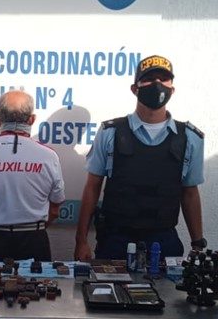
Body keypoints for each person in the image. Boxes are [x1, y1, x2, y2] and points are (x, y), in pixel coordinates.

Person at [74, 55, 208, 261]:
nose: (157, 84)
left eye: (163, 79)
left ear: (172, 89)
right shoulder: (110, 132)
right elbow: (92, 187)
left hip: (164, 240)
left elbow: (190, 193)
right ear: (134, 88)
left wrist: (197, 244)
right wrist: (81, 241)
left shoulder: (190, 137)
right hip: (116, 240)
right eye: (149, 79)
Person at [0, 90, 65, 261]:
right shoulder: (49, 156)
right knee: (36, 280)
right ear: (32, 119)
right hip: (33, 240)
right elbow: (54, 210)